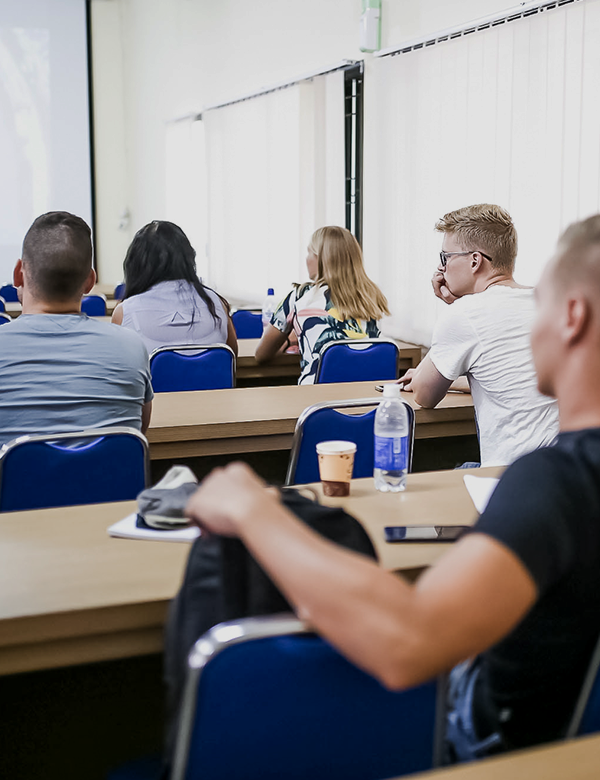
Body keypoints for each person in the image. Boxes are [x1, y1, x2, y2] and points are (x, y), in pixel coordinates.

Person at [184, 214, 600, 762]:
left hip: (497, 750)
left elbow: (408, 644)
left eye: (540, 301)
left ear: (572, 317)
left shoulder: (554, 482)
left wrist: (252, 509)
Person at [399, 204, 558, 466]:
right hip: (567, 473)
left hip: (510, 477)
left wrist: (457, 309)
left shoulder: (466, 314)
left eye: (445, 258)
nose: (441, 270)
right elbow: (505, 376)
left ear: (475, 261)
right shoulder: (549, 301)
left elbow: (424, 397)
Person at [0, 211, 153, 446]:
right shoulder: (132, 346)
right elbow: (139, 430)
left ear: (18, 274)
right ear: (90, 281)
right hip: (109, 483)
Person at [255, 226, 390, 384]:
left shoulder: (300, 296)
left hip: (318, 402)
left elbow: (261, 355)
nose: (306, 259)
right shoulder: (370, 296)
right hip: (370, 401)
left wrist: (290, 341)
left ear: (321, 259)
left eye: (309, 252)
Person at [112, 220, 237, 356]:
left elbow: (118, 367)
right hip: (210, 378)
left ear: (135, 264)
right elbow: (232, 358)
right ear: (188, 259)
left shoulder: (125, 312)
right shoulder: (215, 304)